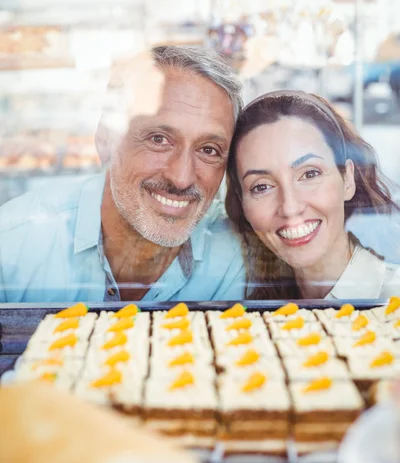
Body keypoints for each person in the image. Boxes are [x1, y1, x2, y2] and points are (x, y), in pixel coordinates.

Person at [0, 46, 245, 303]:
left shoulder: (241, 258)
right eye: (159, 139)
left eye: (209, 150)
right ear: (105, 139)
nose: (181, 178)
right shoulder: (12, 245)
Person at [225, 90, 400, 300]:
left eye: (309, 174)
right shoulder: (252, 308)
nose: (290, 208)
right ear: (242, 202)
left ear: (348, 179)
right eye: (261, 187)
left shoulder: (392, 300)